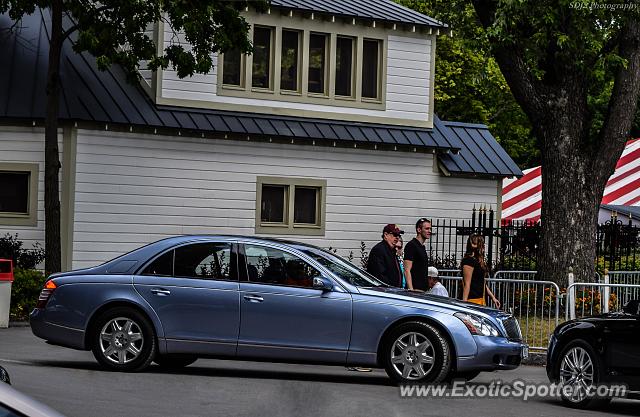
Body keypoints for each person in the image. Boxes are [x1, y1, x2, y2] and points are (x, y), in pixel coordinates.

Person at [461, 234, 500, 308]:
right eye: (482, 244)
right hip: (471, 300)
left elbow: (481, 282)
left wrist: (493, 297)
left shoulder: (478, 261)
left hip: (480, 299)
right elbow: (467, 284)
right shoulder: (468, 261)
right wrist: (464, 305)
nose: (484, 247)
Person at [403, 218, 432, 291]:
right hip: (415, 290)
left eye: (430, 229)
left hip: (422, 290)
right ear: (419, 230)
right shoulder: (411, 245)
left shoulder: (422, 247)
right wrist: (411, 289)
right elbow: (407, 270)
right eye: (427, 229)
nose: (430, 231)